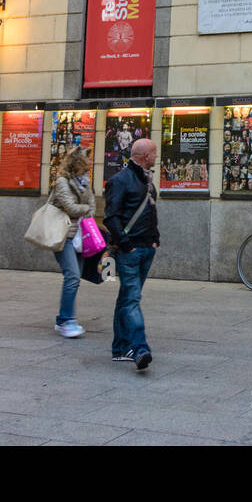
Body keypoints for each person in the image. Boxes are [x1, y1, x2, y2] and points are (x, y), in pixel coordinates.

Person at [104, 137, 159, 370]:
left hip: (147, 249)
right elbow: (111, 217)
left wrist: (155, 240)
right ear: (145, 156)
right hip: (130, 252)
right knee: (132, 299)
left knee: (127, 299)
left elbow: (150, 211)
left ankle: (119, 348)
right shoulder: (120, 180)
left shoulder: (147, 180)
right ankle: (139, 348)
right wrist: (126, 246)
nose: (157, 156)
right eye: (154, 153)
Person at [48, 145, 95, 338]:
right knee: (73, 275)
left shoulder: (85, 182)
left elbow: (92, 206)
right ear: (78, 162)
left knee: (74, 279)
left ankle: (63, 319)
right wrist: (84, 209)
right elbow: (70, 206)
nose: (91, 162)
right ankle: (67, 320)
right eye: (88, 159)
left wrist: (84, 209)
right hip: (63, 234)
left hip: (80, 236)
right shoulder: (62, 182)